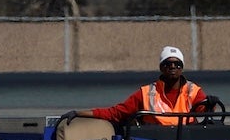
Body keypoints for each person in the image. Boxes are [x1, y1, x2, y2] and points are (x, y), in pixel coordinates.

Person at [72, 46, 207, 126]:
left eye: (177, 64)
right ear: (161, 68)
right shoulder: (146, 93)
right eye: (168, 64)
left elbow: (207, 111)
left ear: (182, 68)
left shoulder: (193, 91)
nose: (173, 67)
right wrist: (79, 113)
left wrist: (210, 105)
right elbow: (117, 113)